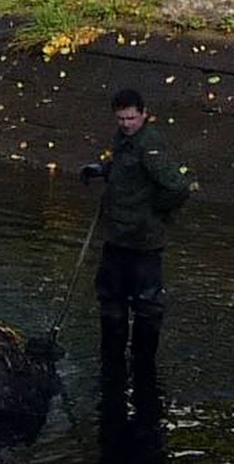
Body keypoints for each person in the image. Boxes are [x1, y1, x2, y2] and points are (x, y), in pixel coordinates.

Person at [80, 88, 197, 379]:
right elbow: (125, 170)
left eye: (131, 118)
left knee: (146, 306)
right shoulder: (123, 140)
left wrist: (153, 210)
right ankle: (112, 360)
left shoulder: (150, 147)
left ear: (143, 114)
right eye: (120, 118)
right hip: (117, 236)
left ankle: (144, 366)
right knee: (110, 299)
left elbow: (178, 187)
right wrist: (102, 170)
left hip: (143, 241)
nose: (126, 124)